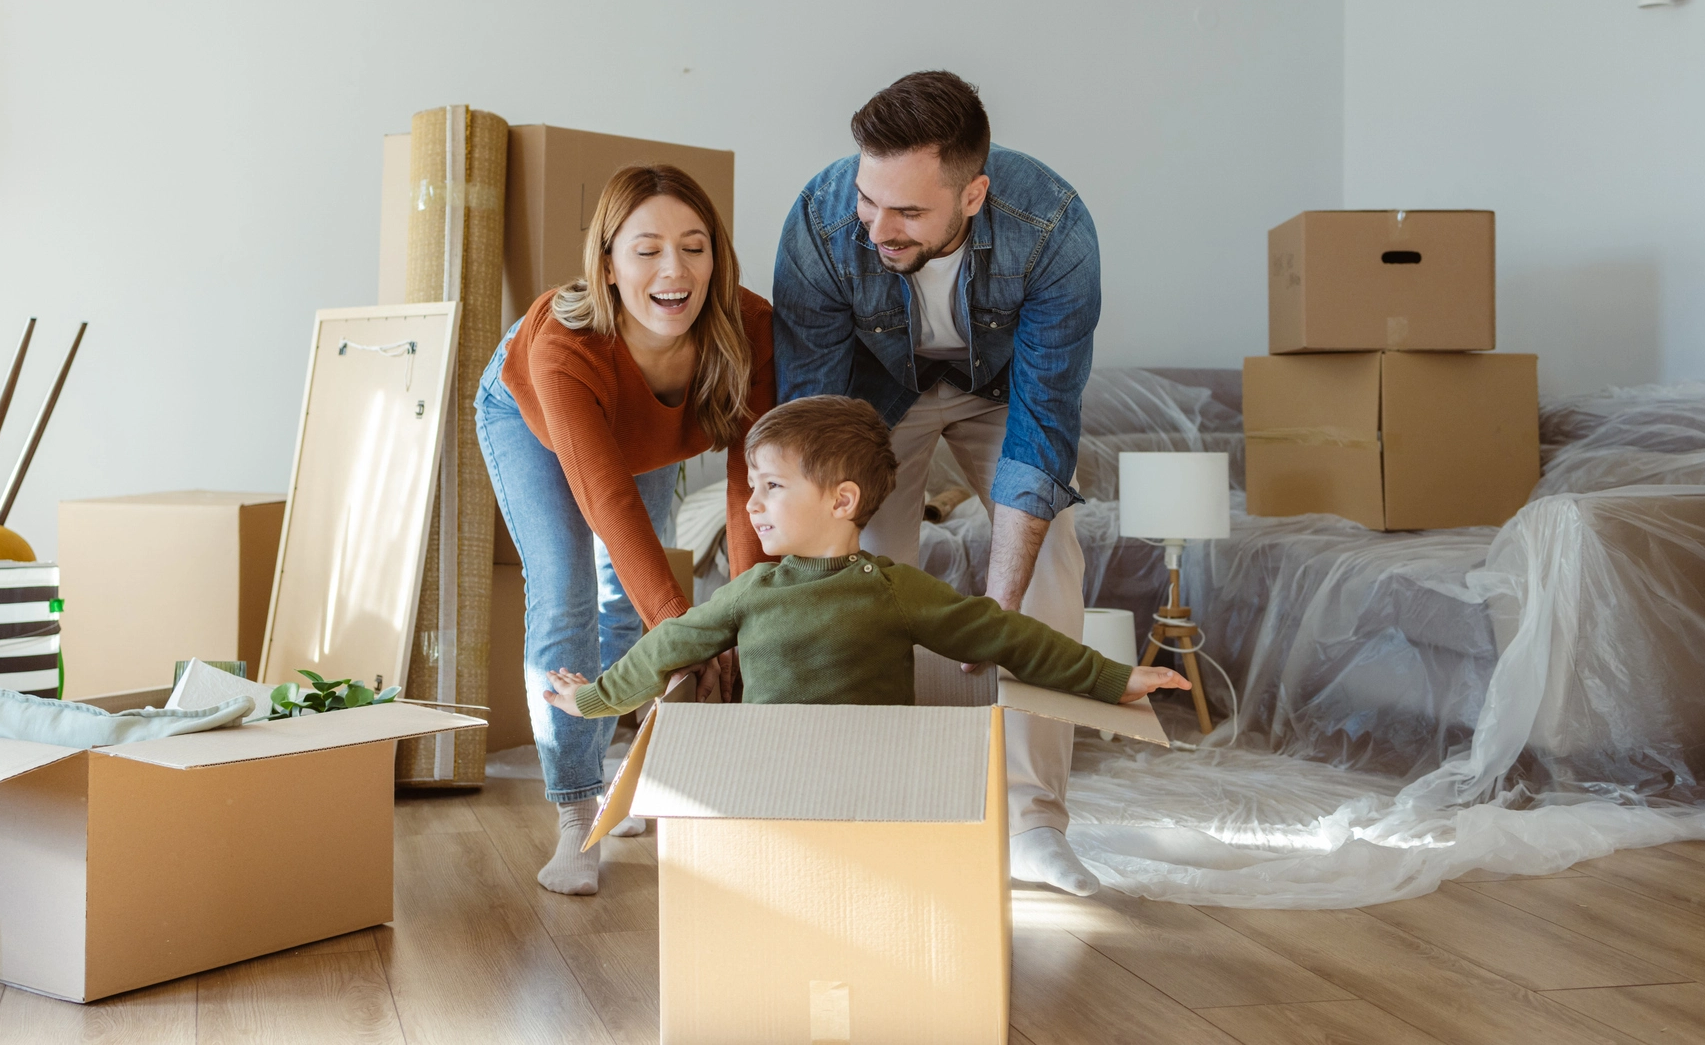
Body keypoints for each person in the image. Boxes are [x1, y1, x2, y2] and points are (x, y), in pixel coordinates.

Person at [773, 70, 1110, 895]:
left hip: (1000, 396)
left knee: (1046, 556)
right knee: (859, 570)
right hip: (873, 398)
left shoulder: (1053, 228)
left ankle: (1032, 822)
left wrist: (996, 613)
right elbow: (814, 419)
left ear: (974, 194)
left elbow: (1044, 428)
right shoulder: (822, 223)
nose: (878, 230)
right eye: (869, 201)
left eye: (908, 212)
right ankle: (869, 799)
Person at [475, 163, 775, 896]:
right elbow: (606, 501)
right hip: (534, 421)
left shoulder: (752, 329)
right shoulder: (564, 347)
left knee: (626, 602)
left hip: (645, 437)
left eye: (695, 246)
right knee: (567, 589)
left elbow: (753, 483)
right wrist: (684, 632)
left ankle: (623, 780)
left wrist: (744, 615)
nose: (674, 270)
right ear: (607, 264)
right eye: (646, 249)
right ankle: (576, 811)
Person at [544, 395, 1186, 721]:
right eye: (751, 486)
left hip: (875, 779)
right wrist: (597, 698)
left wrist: (1114, 678)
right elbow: (667, 647)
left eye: (771, 486)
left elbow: (1008, 635)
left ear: (841, 499)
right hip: (769, 780)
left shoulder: (895, 589)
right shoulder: (753, 589)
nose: (750, 503)